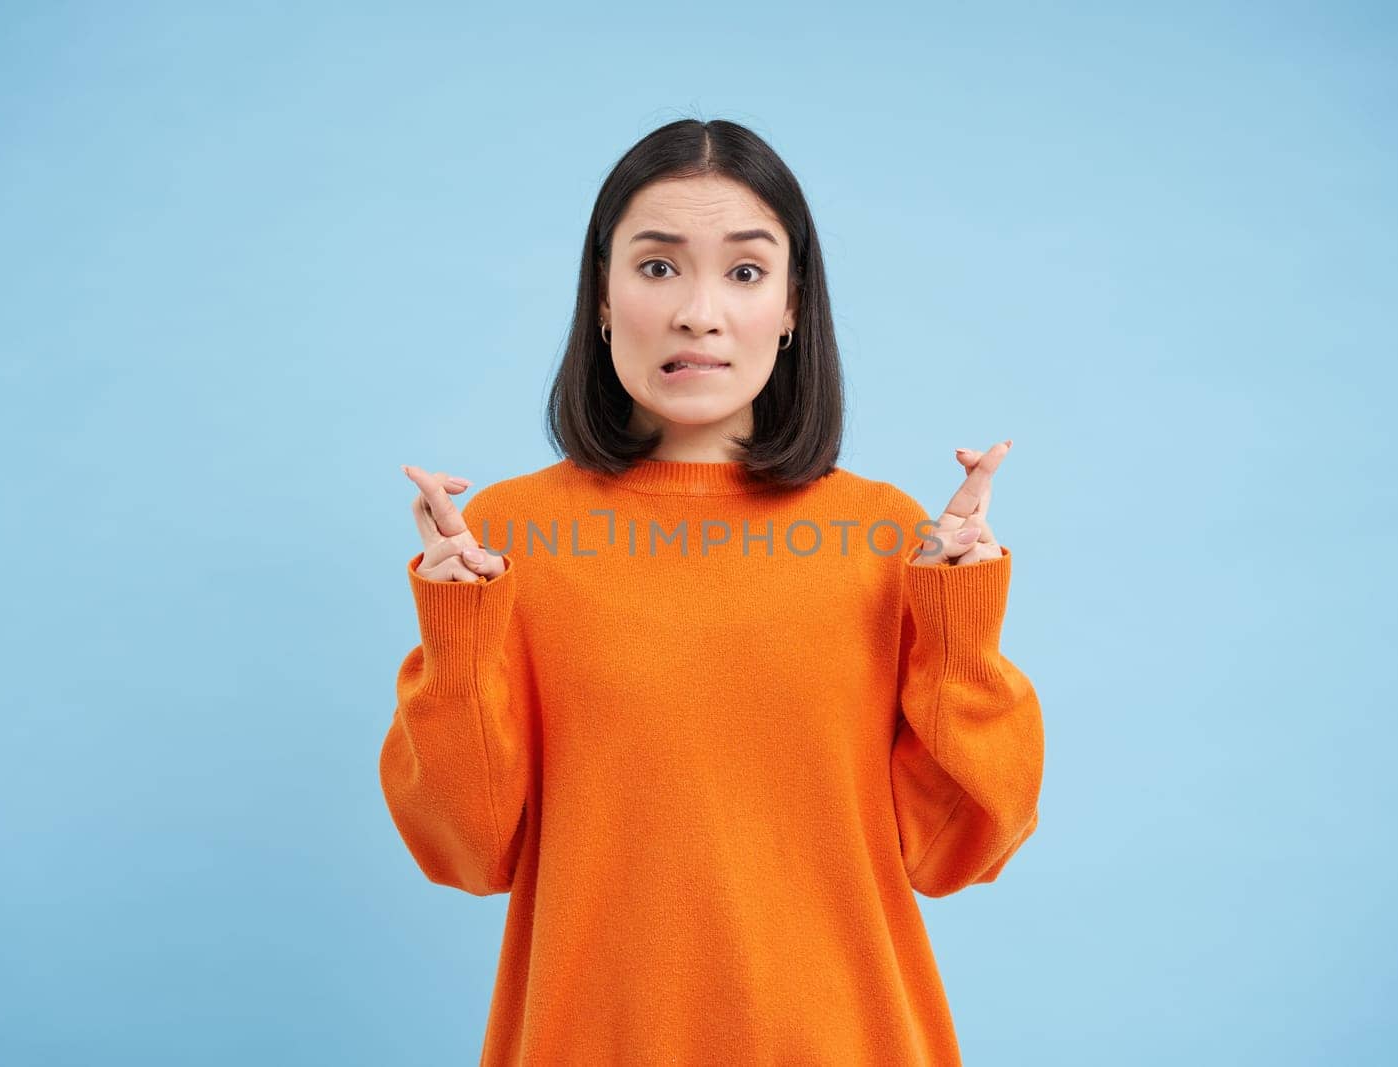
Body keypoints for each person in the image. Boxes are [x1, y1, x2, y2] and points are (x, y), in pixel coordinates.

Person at [380, 118, 1044, 1065]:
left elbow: (960, 849)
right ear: (602, 300)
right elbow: (466, 850)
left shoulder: (890, 536)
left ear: (790, 307)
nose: (699, 312)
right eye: (657, 268)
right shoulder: (508, 540)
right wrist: (459, 633)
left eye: (743, 271)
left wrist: (961, 632)